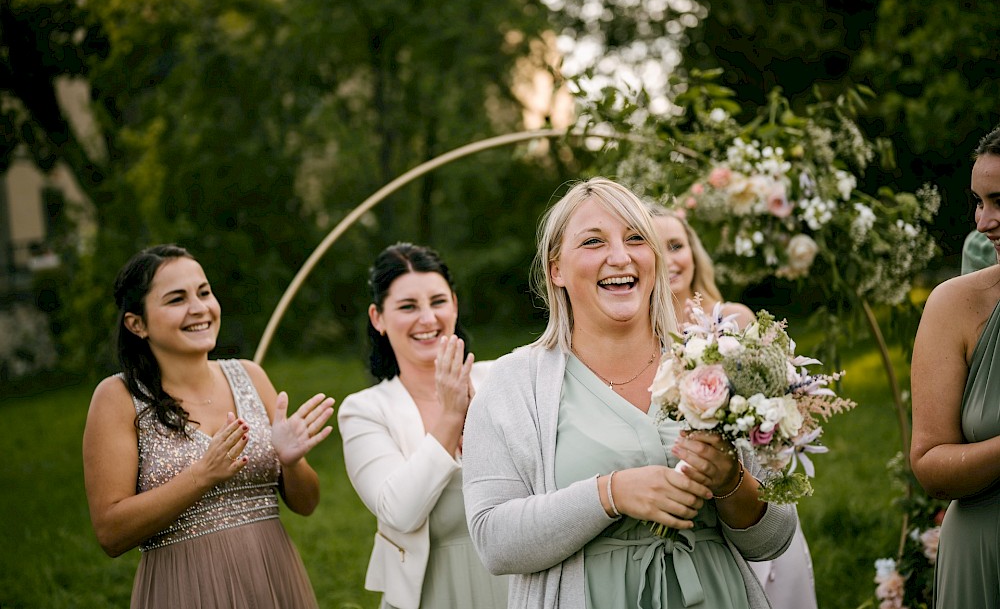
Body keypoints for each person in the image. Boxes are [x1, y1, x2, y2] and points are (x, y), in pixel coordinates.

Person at [462, 177, 796, 609]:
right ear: (555, 269)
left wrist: (731, 482)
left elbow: (775, 538)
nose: (620, 257)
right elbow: (494, 542)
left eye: (636, 239)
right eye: (593, 242)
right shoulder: (513, 385)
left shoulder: (716, 362)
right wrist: (610, 494)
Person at [82, 244, 334, 609]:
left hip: (271, 577)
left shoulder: (250, 375)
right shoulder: (118, 396)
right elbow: (110, 532)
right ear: (137, 324)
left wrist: (292, 462)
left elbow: (307, 504)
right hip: (185, 588)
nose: (199, 308)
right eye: (176, 299)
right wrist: (202, 475)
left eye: (204, 292)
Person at [649, 203, 818, 609]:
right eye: (657, 249)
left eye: (677, 245)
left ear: (693, 251)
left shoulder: (732, 321)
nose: (670, 260)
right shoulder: (637, 338)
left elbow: (779, 415)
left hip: (746, 499)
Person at [337, 242, 508, 609]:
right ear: (378, 318)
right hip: (429, 593)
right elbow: (399, 513)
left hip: (515, 582)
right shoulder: (365, 411)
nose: (428, 318)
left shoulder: (501, 378)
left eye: (438, 301)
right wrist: (450, 418)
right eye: (408, 307)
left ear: (455, 304)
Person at [911, 125, 1000, 608]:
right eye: (978, 201)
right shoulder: (957, 305)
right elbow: (930, 466)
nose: (984, 222)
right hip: (986, 558)